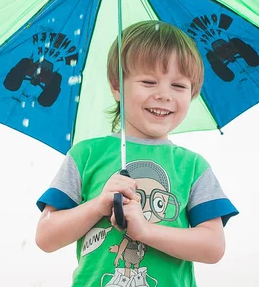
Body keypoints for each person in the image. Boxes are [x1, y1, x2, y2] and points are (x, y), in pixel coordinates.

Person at [35, 20, 238, 287]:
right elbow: (46, 236)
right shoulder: (85, 155)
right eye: (149, 81)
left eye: (179, 86)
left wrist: (146, 231)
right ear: (117, 86)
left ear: (193, 93)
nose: (164, 95)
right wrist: (98, 205)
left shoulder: (192, 167)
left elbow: (213, 246)